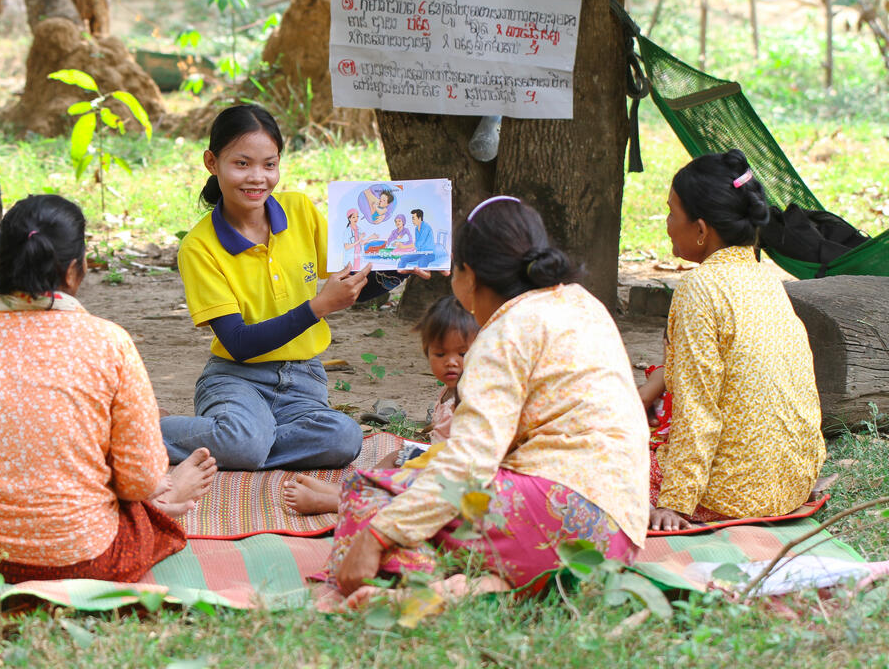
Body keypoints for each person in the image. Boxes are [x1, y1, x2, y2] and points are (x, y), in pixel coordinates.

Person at [328, 196, 649, 606]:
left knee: (370, 494)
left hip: (561, 518)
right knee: (419, 499)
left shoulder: (502, 333)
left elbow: (469, 463)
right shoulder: (584, 305)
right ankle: (492, 587)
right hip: (617, 538)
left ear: (468, 275)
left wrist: (376, 537)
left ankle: (419, 589)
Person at [0, 195, 216, 582]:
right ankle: (166, 504)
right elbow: (138, 480)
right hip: (80, 560)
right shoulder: (109, 342)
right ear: (73, 270)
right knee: (142, 512)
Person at [161, 104, 402, 471]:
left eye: (269, 164)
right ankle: (151, 430)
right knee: (245, 440)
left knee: (344, 437)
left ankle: (247, 441)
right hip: (235, 378)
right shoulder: (200, 246)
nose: (257, 177)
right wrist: (317, 307)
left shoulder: (300, 211)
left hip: (303, 378)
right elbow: (238, 344)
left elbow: (350, 287)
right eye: (242, 164)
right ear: (212, 162)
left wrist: (400, 270)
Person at [650, 150, 826, 531]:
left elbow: (699, 406)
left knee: (606, 450)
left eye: (671, 213)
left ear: (700, 230)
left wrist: (675, 503)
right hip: (792, 484)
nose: (666, 224)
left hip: (734, 495)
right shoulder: (766, 279)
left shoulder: (700, 287)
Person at [282, 294, 479, 515]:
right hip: (435, 459)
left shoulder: (473, 395)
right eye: (440, 354)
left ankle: (336, 503)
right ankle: (347, 489)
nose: (451, 362)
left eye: (462, 353)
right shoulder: (448, 389)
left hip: (454, 474)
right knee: (396, 457)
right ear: (427, 352)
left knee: (405, 486)